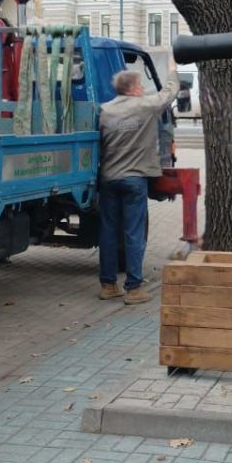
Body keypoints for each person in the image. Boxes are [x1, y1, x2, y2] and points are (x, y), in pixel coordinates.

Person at [97, 57, 178, 304]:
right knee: (133, 234)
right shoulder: (143, 106)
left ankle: (108, 285)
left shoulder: (105, 110)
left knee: (109, 233)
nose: (143, 89)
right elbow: (169, 94)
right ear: (132, 89)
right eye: (141, 85)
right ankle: (133, 288)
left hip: (109, 179)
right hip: (134, 180)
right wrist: (173, 69)